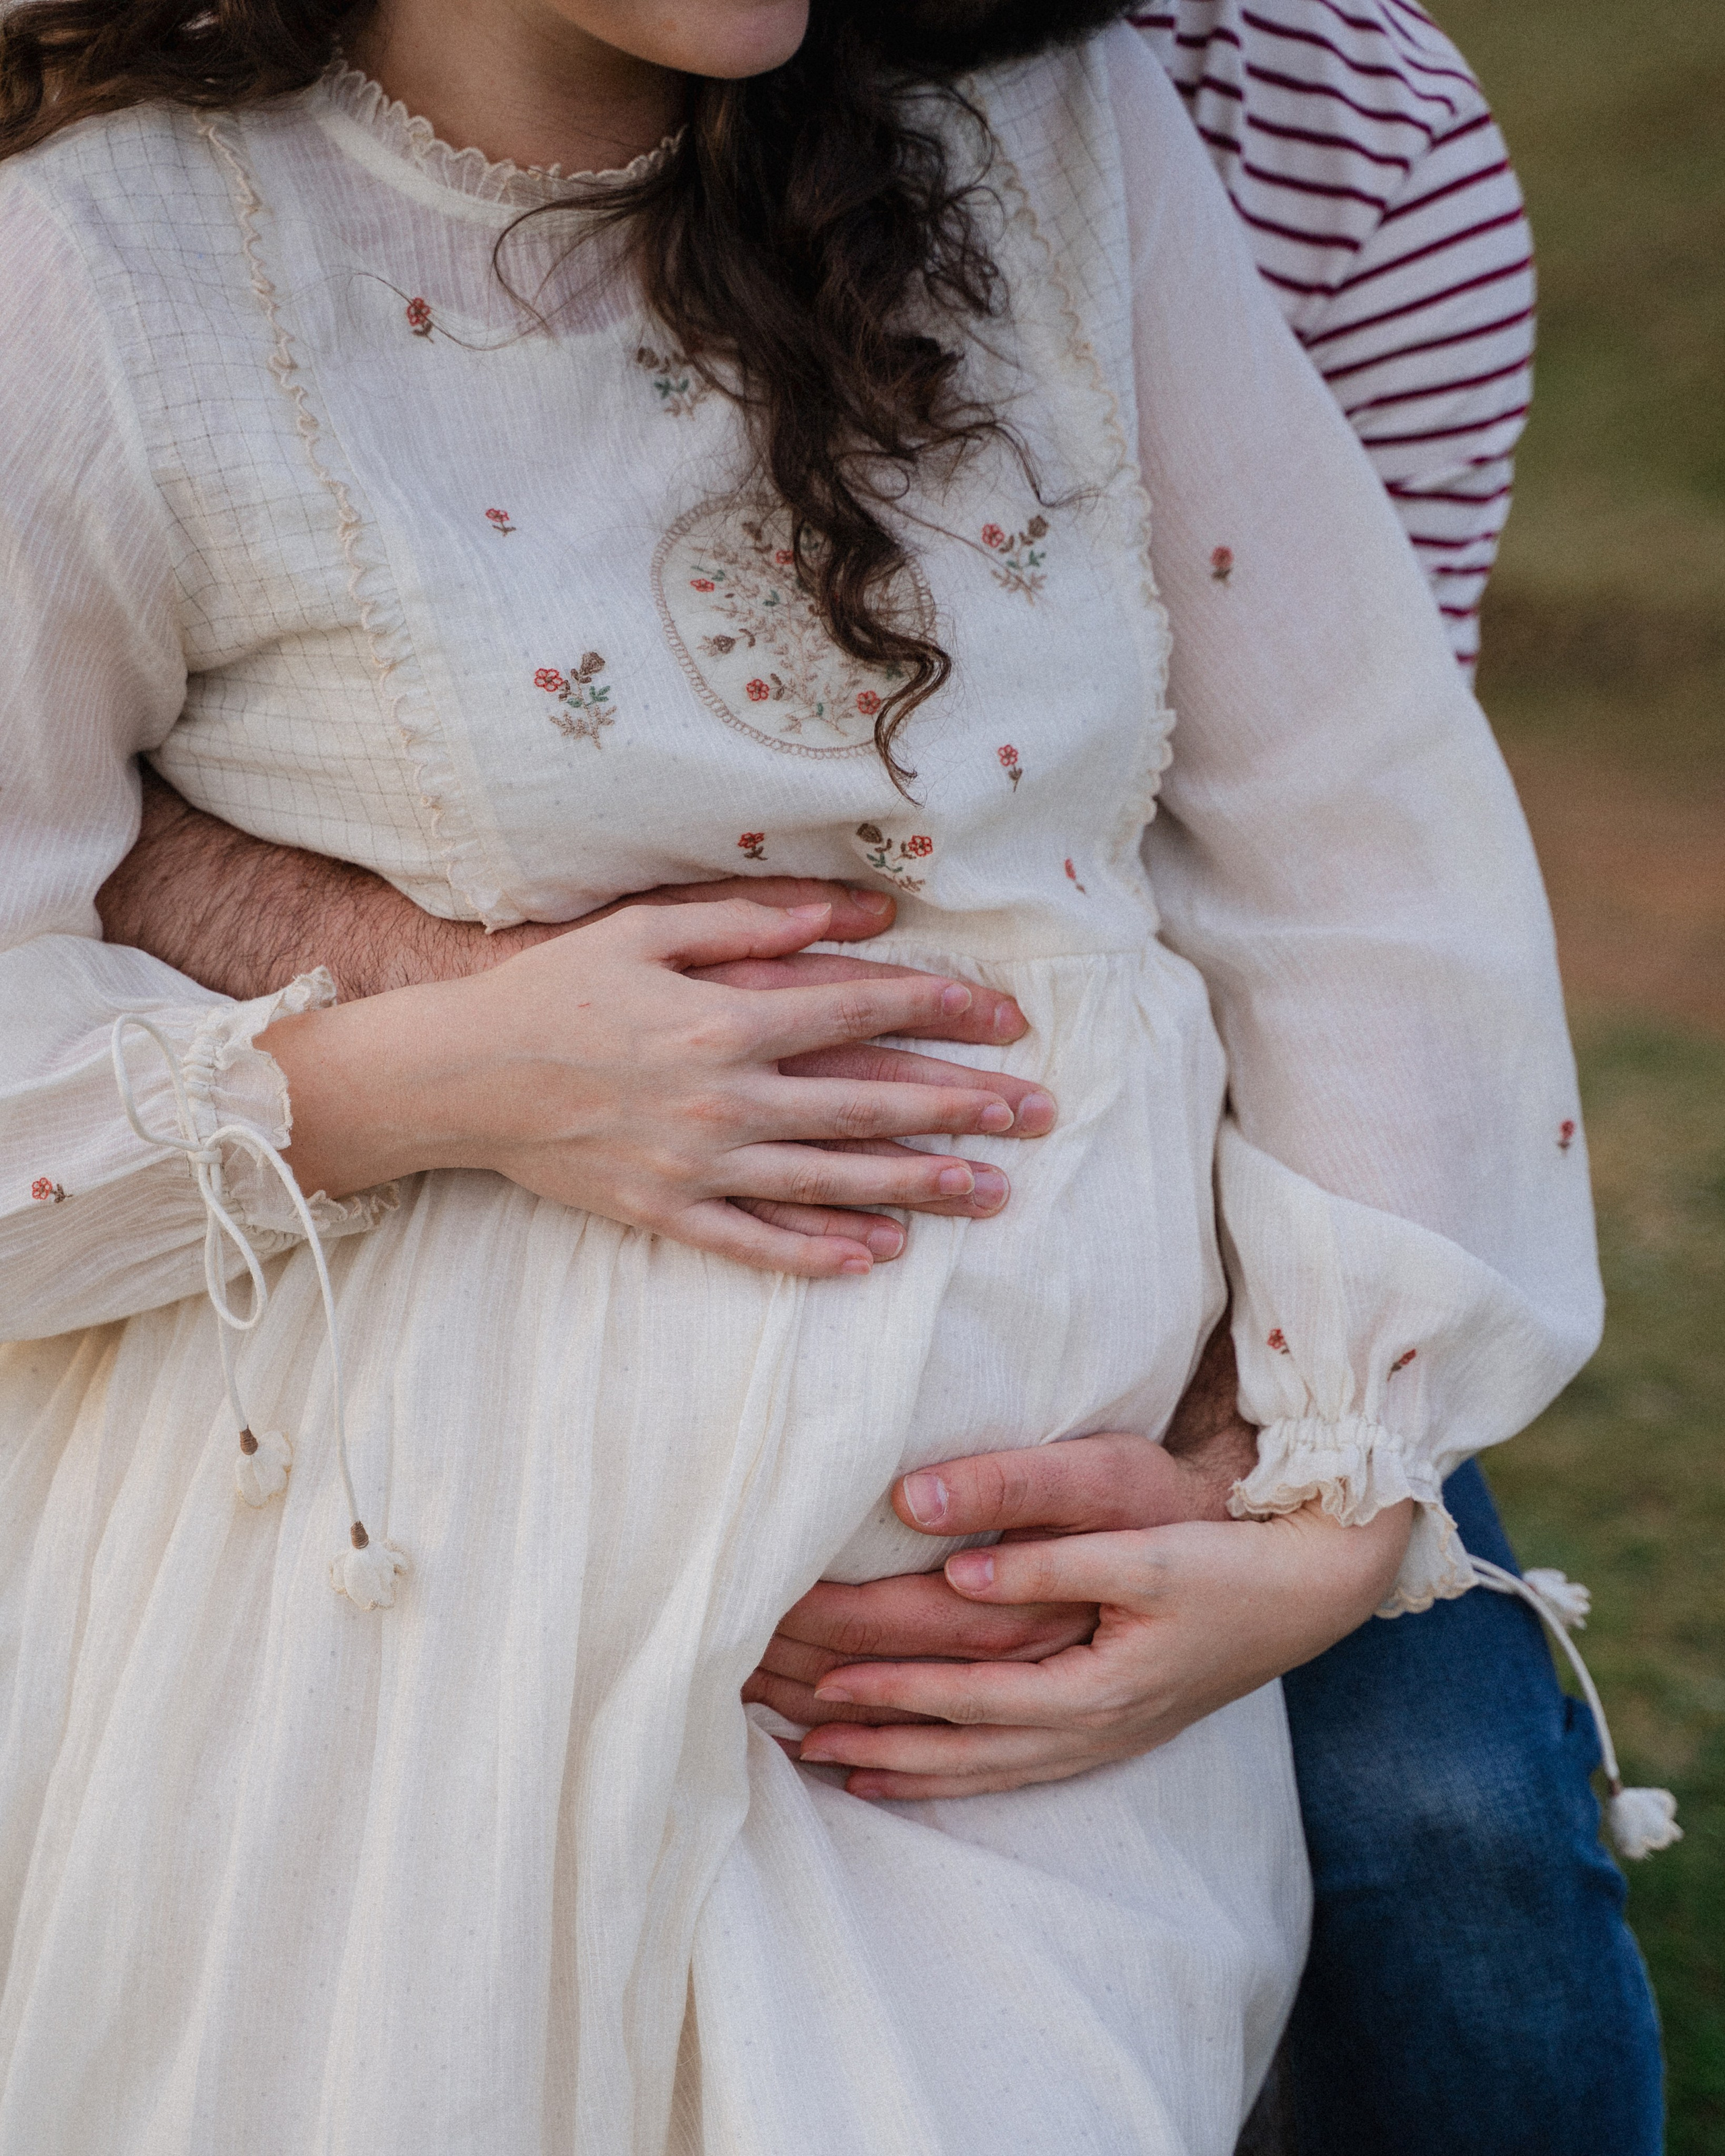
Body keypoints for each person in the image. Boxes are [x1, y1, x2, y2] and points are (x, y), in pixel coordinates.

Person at [0, 3, 1604, 2153]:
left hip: (1016, 1676)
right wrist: (436, 1074)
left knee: (1444, 1843)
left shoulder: (1086, 132)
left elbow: (1358, 833)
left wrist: (1324, 1500)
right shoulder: (109, 264)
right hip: (428, 1620)